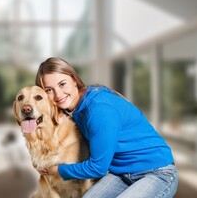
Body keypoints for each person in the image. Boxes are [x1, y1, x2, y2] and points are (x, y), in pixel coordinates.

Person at [34, 57, 178, 198]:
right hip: (122, 174)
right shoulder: (73, 109)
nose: (58, 94)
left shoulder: (99, 108)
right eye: (49, 90)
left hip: (157, 172)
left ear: (74, 79)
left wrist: (57, 170)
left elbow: (98, 167)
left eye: (62, 84)